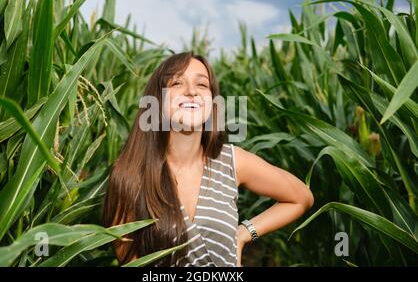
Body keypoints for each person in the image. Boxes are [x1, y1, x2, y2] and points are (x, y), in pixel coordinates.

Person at [102, 51, 314, 267]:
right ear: (157, 100)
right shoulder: (129, 175)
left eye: (202, 85)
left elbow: (301, 197)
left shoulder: (231, 161)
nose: (191, 91)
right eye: (177, 83)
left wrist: (243, 234)